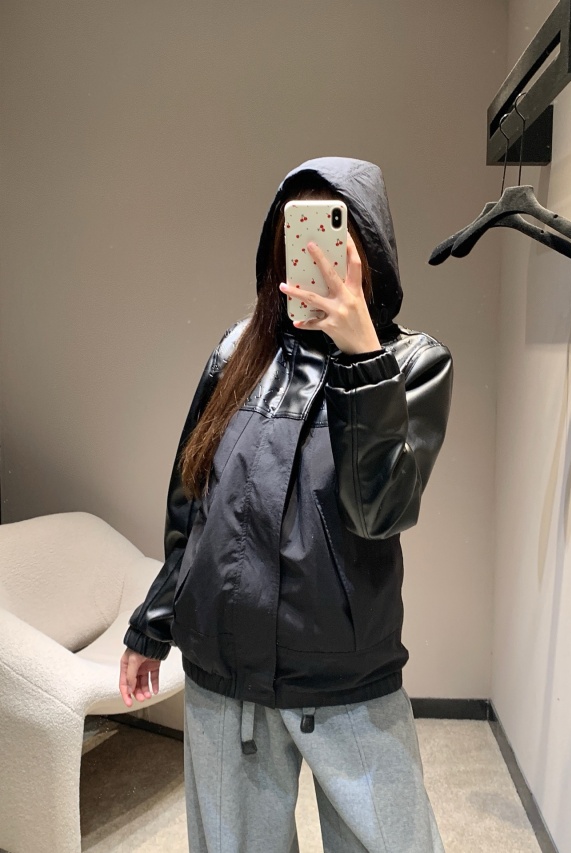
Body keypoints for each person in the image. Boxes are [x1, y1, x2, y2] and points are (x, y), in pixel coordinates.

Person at [119, 156, 453, 853]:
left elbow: (381, 512)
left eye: (333, 232)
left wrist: (363, 359)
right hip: (224, 675)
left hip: (346, 680)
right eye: (294, 233)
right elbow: (192, 499)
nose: (313, 253)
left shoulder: (414, 363)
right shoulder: (236, 351)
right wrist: (152, 623)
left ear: (368, 247)